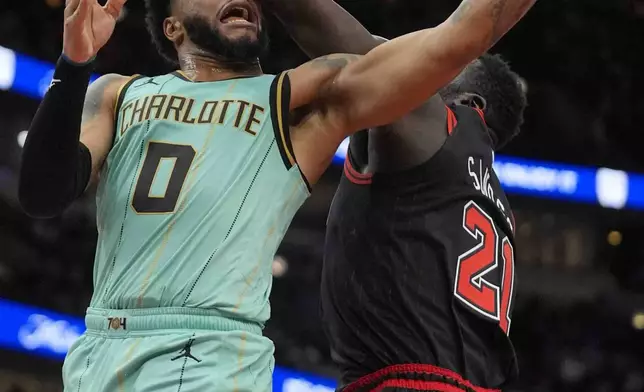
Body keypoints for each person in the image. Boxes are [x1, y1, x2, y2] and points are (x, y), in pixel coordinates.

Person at [18, 0, 535, 390]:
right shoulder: (116, 92)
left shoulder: (304, 99)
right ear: (171, 25)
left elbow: (450, 37)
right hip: (98, 346)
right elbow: (41, 194)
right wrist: (74, 60)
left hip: (211, 354)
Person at [269, 1, 528, 391]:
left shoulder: (441, 129)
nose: (424, 59)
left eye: (450, 67)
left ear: (472, 102)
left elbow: (339, 40)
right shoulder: (487, 196)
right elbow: (381, 51)